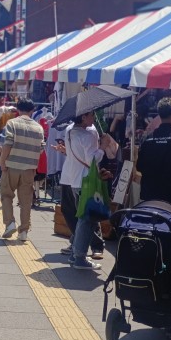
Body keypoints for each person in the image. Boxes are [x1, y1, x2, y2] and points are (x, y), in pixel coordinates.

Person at [56, 111, 111, 270]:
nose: (94, 118)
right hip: (86, 181)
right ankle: (79, 257)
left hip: (75, 180)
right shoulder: (87, 135)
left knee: (83, 218)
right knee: (86, 220)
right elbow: (92, 159)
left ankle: (76, 254)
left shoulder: (71, 131)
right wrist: (102, 146)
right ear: (82, 117)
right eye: (91, 115)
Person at [0, 98, 45, 243]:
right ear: (32, 111)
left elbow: (8, 144)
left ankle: (10, 223)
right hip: (29, 169)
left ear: (18, 109)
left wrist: (2, 161)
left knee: (7, 195)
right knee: (26, 201)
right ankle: (24, 231)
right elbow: (41, 148)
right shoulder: (38, 127)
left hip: (11, 165)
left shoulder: (12, 123)